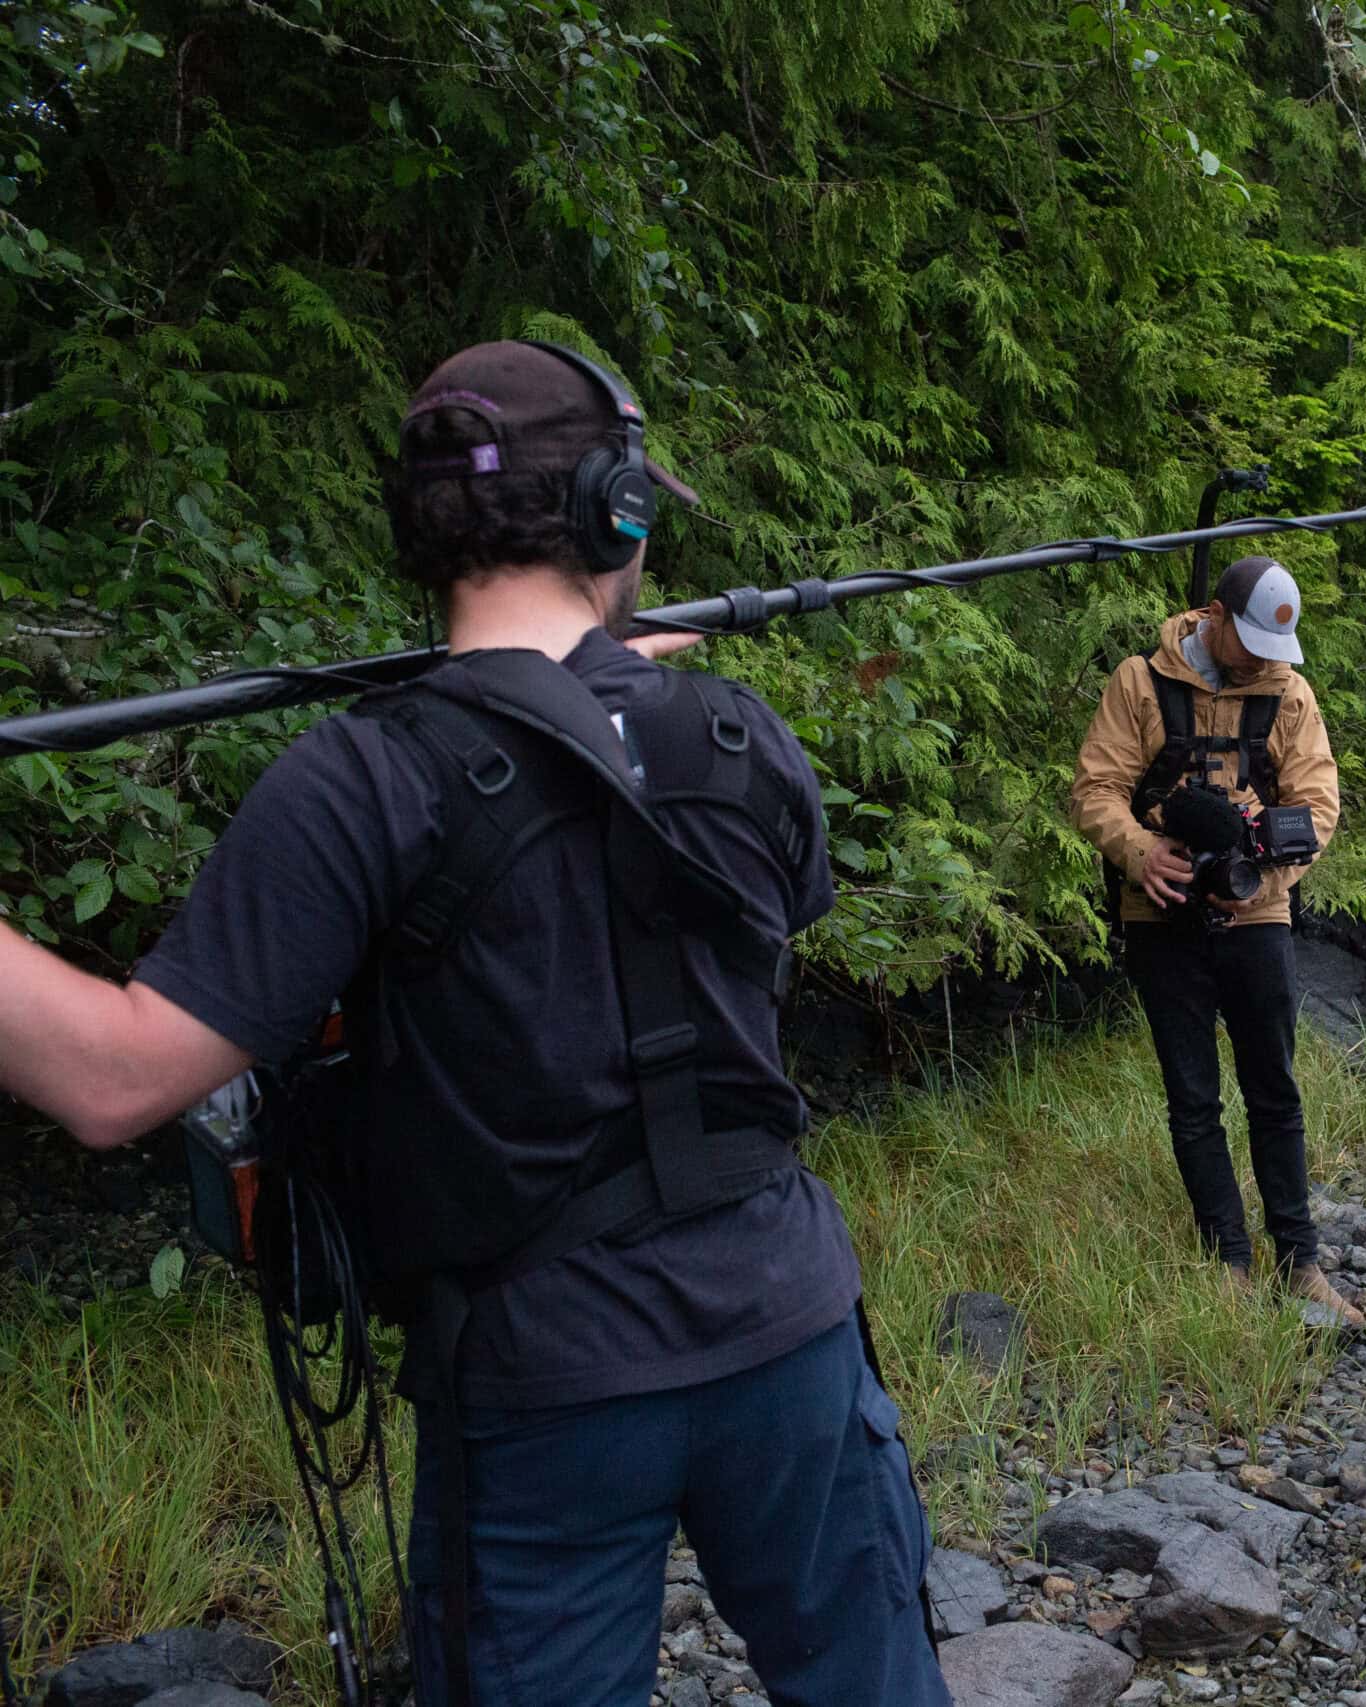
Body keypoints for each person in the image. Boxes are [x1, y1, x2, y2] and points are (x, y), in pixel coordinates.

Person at [0, 340, 946, 1707]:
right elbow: (768, 914)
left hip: (541, 1387)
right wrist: (618, 702)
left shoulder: (356, 782)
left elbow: (111, 1074)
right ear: (618, 509)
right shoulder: (741, 735)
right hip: (789, 1331)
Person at [1068, 556, 1365, 1323]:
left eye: (1278, 647)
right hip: (1158, 912)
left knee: (1276, 1088)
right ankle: (1229, 1257)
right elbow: (1096, 790)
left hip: (1256, 912)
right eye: (1255, 639)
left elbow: (1318, 806)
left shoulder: (1289, 694)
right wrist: (1143, 852)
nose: (1268, 658)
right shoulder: (1140, 683)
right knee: (1192, 1096)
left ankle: (1300, 1261)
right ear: (1214, 614)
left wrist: (1264, 878)